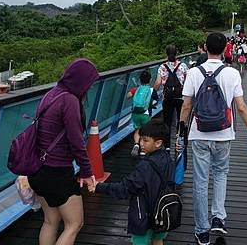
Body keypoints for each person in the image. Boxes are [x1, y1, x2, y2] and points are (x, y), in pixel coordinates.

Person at [178, 32, 247, 245]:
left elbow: (186, 105)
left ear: (205, 48)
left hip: (199, 133)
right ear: (225, 49)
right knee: (221, 174)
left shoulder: (194, 73)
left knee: (200, 180)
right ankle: (218, 217)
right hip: (224, 133)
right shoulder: (232, 73)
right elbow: (240, 106)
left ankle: (202, 229)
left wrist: (181, 131)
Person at [27, 58, 98, 245]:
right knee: (74, 224)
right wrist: (86, 171)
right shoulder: (70, 100)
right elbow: (76, 142)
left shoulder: (51, 94)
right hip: (56, 172)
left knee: (50, 221)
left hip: (37, 169)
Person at [95, 120, 174, 245]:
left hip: (143, 214)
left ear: (158, 143)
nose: (141, 143)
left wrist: (99, 187)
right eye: (141, 139)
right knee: (158, 239)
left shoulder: (145, 166)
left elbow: (126, 188)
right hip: (162, 213)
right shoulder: (167, 158)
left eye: (145, 140)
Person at [154, 45, 188, 149]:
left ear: (166, 54)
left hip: (167, 97)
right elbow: (187, 81)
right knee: (180, 118)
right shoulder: (183, 66)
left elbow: (158, 82)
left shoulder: (162, 67)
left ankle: (167, 145)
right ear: (176, 54)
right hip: (180, 96)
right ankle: (179, 140)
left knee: (167, 121)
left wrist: (152, 91)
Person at [127, 70, 159, 157]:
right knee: (146, 132)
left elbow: (128, 95)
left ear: (140, 79)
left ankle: (136, 144)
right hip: (146, 114)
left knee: (137, 130)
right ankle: (143, 150)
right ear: (150, 79)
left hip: (135, 113)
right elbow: (156, 101)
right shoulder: (151, 90)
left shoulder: (136, 89)